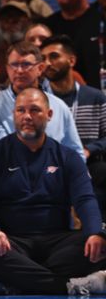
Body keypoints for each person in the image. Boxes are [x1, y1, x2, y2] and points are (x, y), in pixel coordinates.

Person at [0, 88, 106, 295]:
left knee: (100, 243)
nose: (27, 117)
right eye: (21, 110)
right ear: (13, 114)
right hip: (11, 241)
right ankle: (67, 287)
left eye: (35, 110)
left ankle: (14, 283)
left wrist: (95, 233)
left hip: (58, 241)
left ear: (49, 115)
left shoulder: (68, 157)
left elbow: (85, 199)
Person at [0, 41, 85, 158]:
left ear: (40, 68)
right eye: (14, 65)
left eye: (26, 64)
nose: (20, 70)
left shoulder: (59, 106)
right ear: (7, 69)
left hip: (56, 172)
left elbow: (76, 153)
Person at [41, 35, 106, 209]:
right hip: (49, 163)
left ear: (71, 60)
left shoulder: (95, 97)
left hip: (88, 163)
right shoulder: (39, 100)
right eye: (43, 58)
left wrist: (89, 150)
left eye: (53, 56)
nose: (47, 63)